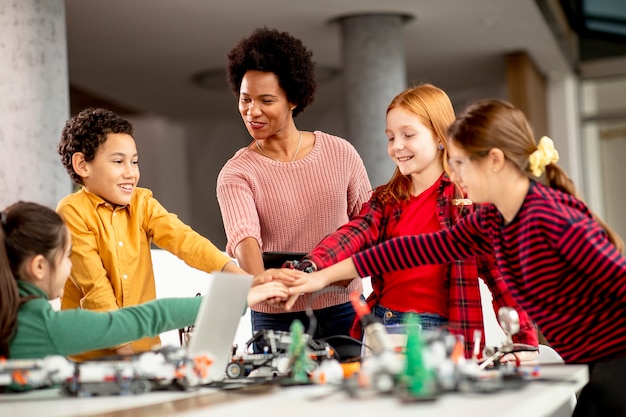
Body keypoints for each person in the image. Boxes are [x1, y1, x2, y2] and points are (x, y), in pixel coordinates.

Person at [284, 99, 626, 416]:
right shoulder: (491, 221)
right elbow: (408, 251)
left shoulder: (548, 217)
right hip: (587, 361)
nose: (455, 174)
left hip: (615, 359)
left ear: (494, 160)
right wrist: (316, 276)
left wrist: (524, 339)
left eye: (460, 163)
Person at [288, 84, 537, 358]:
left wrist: (523, 339)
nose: (397, 147)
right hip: (382, 329)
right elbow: (352, 235)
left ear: (441, 137)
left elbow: (501, 273)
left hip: (442, 336)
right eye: (391, 137)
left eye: (408, 135)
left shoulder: (467, 201)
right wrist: (309, 267)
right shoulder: (385, 199)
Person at [56, 107, 255, 361]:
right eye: (118, 161)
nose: (131, 172)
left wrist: (241, 278)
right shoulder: (72, 211)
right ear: (82, 164)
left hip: (144, 350)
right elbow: (96, 290)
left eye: (135, 161)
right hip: (91, 357)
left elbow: (185, 240)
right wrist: (126, 354)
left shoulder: (143, 203)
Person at [216, 27, 372, 341]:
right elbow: (244, 237)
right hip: (277, 318)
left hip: (345, 307)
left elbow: (370, 223)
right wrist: (262, 283)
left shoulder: (340, 153)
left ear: (293, 100)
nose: (252, 111)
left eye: (266, 100)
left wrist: (345, 271)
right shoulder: (236, 173)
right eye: (245, 99)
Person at [0, 201, 291, 361]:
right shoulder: (43, 328)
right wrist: (240, 298)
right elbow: (149, 316)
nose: (71, 265)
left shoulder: (14, 320)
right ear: (39, 267)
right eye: (66, 256)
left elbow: (187, 242)